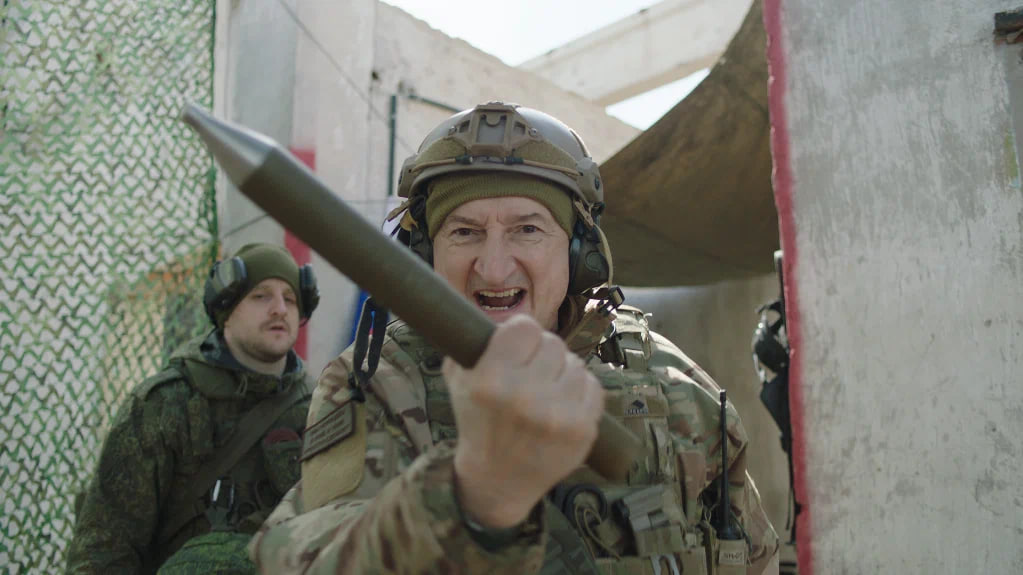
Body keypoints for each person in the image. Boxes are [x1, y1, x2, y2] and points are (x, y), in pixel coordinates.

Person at [250, 102, 779, 574]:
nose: (495, 267)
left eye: (528, 229)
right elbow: (305, 558)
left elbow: (754, 554)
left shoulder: (675, 383)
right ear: (426, 254)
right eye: (464, 232)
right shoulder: (377, 383)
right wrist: (473, 493)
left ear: (579, 253)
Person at [67, 243, 320, 574]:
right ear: (227, 310)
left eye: (290, 299)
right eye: (261, 296)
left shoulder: (320, 408)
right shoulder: (165, 405)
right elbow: (104, 549)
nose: (280, 309)